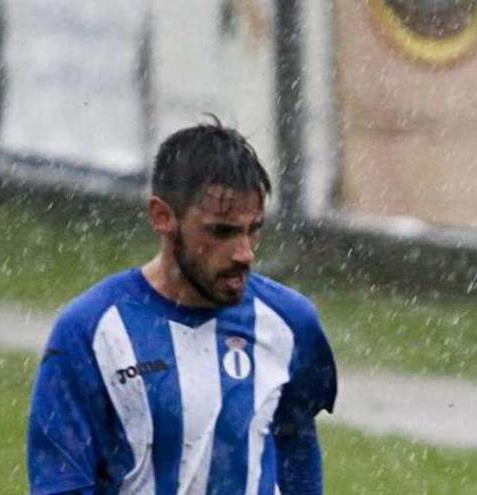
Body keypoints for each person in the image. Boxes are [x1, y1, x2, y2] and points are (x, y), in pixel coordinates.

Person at [27, 119, 337, 495]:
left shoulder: (291, 323)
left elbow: (295, 440)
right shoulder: (90, 332)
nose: (245, 252)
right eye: (221, 231)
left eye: (253, 228)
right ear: (162, 217)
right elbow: (62, 484)